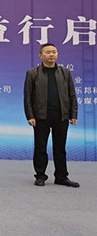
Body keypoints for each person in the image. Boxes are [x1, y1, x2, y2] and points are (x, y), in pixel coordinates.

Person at [24, 43, 79, 187]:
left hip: (61, 116)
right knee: (40, 147)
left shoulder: (65, 72)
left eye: (54, 52)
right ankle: (40, 176)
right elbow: (28, 97)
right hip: (41, 116)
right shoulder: (33, 73)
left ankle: (61, 177)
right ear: (40, 55)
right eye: (48, 52)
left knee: (60, 148)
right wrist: (30, 116)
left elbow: (72, 95)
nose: (51, 54)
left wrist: (73, 114)